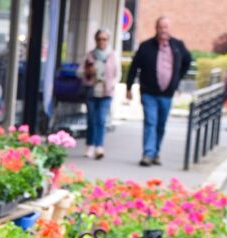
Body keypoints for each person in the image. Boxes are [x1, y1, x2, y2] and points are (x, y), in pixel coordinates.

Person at [126, 16, 192, 167]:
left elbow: (188, 61)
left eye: (166, 27)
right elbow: (134, 67)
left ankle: (156, 152)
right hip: (149, 92)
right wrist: (129, 87)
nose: (163, 30)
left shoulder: (177, 45)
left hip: (167, 94)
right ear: (156, 28)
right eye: (160, 27)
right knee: (150, 122)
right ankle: (148, 154)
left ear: (169, 29)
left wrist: (177, 79)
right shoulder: (146, 46)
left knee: (161, 125)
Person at [80, 28, 120, 160]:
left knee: (101, 119)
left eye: (104, 39)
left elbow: (117, 74)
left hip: (106, 92)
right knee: (91, 119)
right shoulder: (90, 55)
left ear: (108, 40)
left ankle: (99, 146)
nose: (102, 41)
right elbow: (79, 72)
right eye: (99, 39)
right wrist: (88, 71)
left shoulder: (113, 55)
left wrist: (112, 84)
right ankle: (90, 145)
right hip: (92, 91)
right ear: (95, 40)